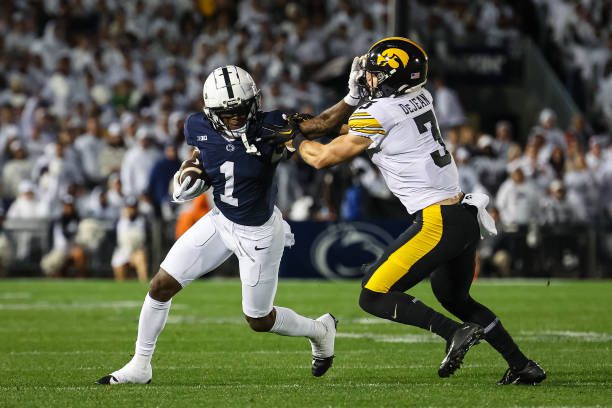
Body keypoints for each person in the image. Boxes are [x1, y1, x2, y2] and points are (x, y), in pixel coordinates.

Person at [270, 37, 545, 385]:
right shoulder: (420, 97)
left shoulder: (381, 112)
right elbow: (339, 127)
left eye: (375, 72)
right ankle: (522, 366)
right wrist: (327, 115)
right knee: (455, 297)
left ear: (393, 77)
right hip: (462, 214)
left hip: (437, 221)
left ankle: (452, 334)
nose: (368, 78)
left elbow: (322, 157)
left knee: (373, 295)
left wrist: (292, 139)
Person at [96, 65, 337, 385]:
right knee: (160, 285)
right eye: (227, 112)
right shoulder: (196, 125)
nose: (235, 117)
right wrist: (191, 169)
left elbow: (321, 124)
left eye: (240, 109)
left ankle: (320, 330)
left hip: (259, 233)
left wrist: (352, 99)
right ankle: (141, 364)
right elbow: (203, 153)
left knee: (259, 319)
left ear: (254, 102)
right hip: (221, 220)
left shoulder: (271, 126)